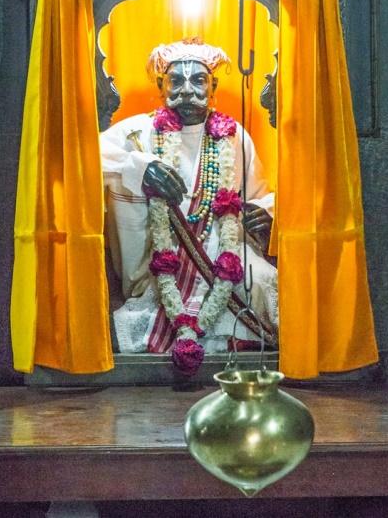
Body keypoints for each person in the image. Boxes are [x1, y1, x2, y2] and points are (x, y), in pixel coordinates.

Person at [100, 38, 278, 371]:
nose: (187, 90)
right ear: (160, 84)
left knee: (269, 286)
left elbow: (259, 193)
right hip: (155, 262)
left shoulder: (235, 136)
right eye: (176, 80)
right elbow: (87, 158)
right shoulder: (137, 131)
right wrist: (138, 167)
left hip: (225, 253)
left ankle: (218, 335)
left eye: (198, 80)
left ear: (214, 86)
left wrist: (265, 214)